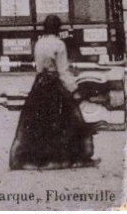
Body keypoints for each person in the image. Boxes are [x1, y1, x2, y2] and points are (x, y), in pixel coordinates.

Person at [9, 15, 98, 170]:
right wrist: (74, 88)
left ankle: (35, 158)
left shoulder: (39, 43)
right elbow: (63, 71)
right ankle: (68, 158)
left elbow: (38, 68)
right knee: (67, 120)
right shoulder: (59, 44)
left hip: (40, 84)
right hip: (54, 84)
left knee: (38, 122)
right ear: (58, 28)